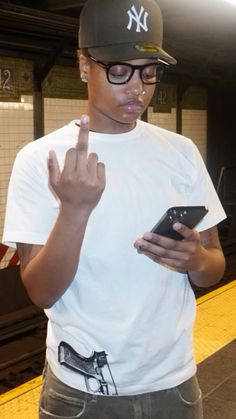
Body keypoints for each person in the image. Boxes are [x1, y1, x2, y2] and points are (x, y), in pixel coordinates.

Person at [3, 0, 226, 418]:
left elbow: (213, 268)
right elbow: (40, 291)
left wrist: (195, 258)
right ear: (84, 65)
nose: (137, 89)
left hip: (174, 386)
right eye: (119, 70)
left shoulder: (180, 153)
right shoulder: (41, 159)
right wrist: (74, 210)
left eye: (149, 71)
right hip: (79, 396)